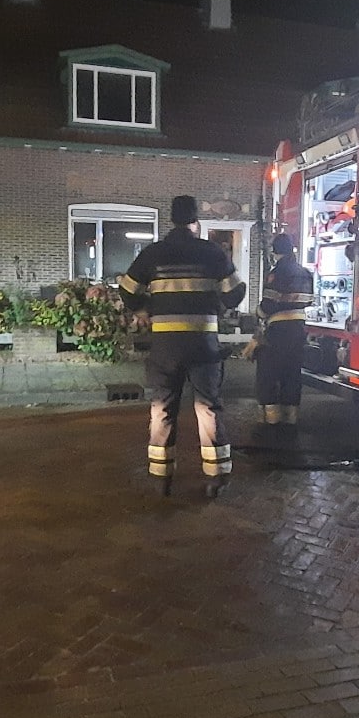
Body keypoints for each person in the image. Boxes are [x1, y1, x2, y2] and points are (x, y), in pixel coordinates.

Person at [119, 195, 245, 497]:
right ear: (195, 222)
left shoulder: (153, 254)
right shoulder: (212, 253)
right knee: (208, 407)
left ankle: (162, 477)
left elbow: (127, 290)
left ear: (172, 219)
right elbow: (236, 292)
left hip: (165, 345)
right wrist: (218, 305)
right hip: (203, 344)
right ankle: (215, 477)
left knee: (162, 407)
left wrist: (145, 309)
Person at [255, 231, 314, 429]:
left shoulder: (276, 273)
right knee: (292, 373)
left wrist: (259, 313)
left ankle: (271, 421)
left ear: (275, 252)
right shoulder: (306, 273)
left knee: (269, 373)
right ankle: (291, 418)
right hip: (299, 330)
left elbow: (268, 304)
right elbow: (309, 300)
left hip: (278, 330)